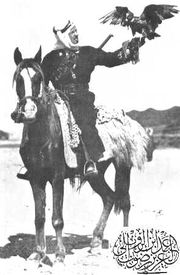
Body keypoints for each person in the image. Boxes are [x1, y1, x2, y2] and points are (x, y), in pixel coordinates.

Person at [18, 20, 141, 180]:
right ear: (63, 36)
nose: (76, 35)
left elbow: (111, 60)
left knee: (84, 122)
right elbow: (42, 83)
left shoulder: (88, 52)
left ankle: (90, 161)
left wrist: (133, 45)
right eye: (72, 32)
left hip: (82, 99)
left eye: (76, 31)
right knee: (38, 122)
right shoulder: (50, 58)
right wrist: (49, 94)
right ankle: (33, 164)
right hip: (59, 101)